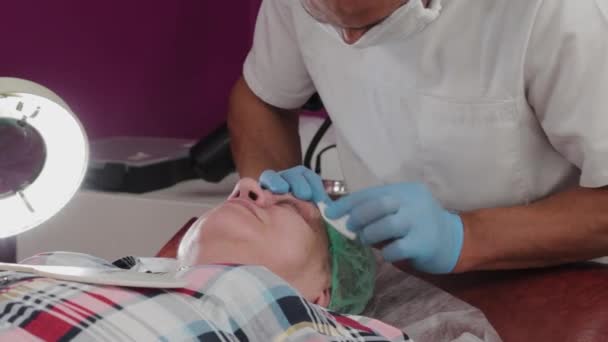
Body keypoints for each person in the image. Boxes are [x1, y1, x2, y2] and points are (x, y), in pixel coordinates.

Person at [227, 0, 608, 274]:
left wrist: (464, 237)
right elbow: (263, 98)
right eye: (323, 17)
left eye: (369, 26)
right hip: (388, 275)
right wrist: (280, 206)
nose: (348, 42)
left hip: (553, 278)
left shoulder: (560, 13)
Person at [0, 179, 393, 341]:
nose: (246, 186)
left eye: (290, 208)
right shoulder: (78, 265)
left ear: (319, 294)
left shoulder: (315, 323)